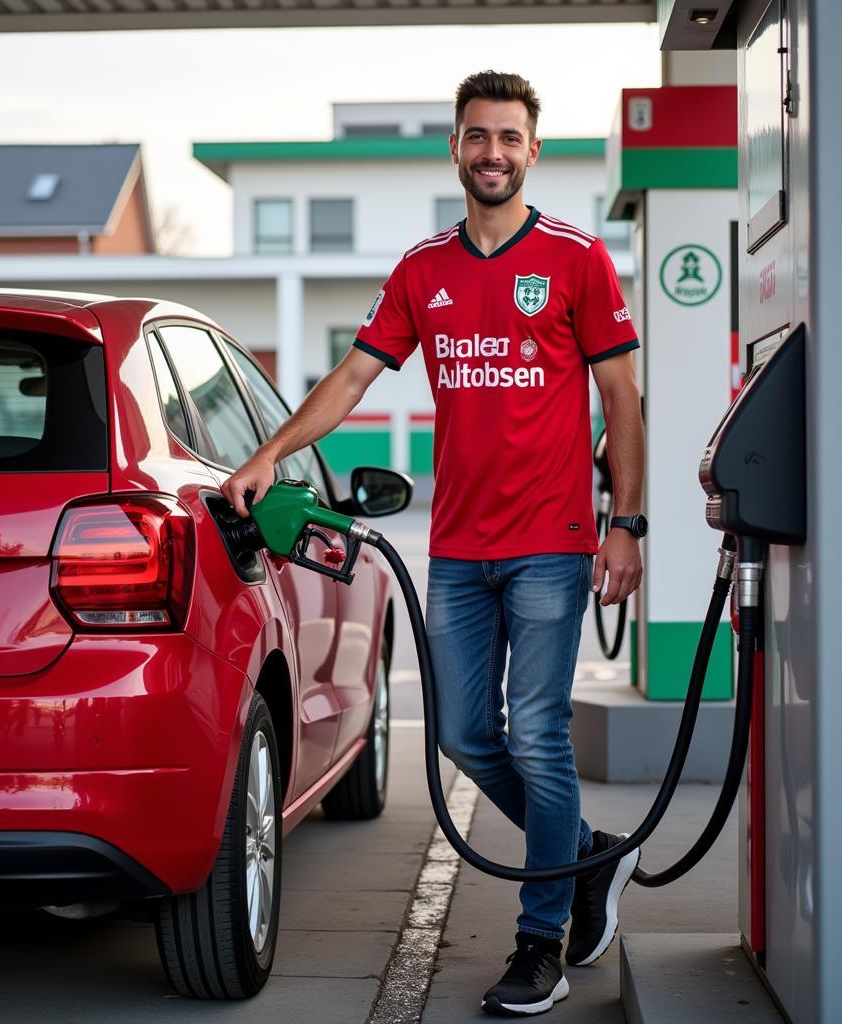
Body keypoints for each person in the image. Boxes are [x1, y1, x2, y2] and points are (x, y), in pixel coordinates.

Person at [222, 70, 646, 1017]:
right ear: (454, 148)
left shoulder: (577, 260)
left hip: (551, 540)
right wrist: (268, 455)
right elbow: (351, 378)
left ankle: (542, 940)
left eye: (509, 137)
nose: (492, 152)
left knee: (536, 735)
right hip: (456, 548)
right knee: (462, 733)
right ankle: (586, 858)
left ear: (534, 150)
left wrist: (626, 523)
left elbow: (621, 398)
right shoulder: (424, 271)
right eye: (476, 136)